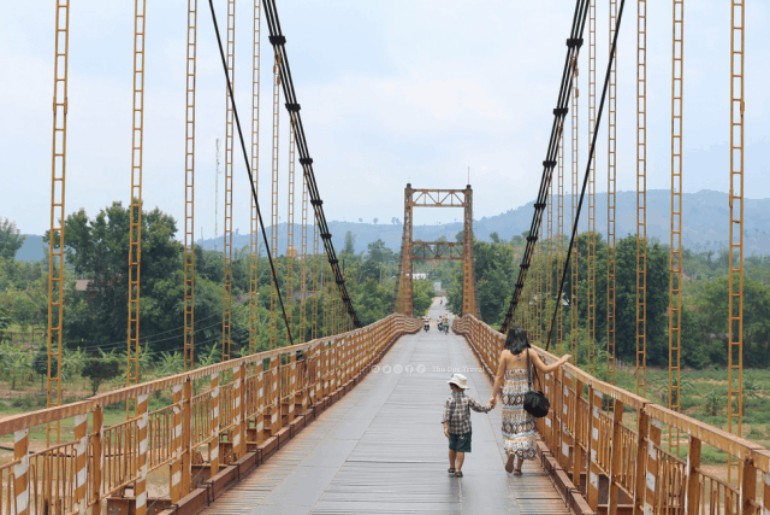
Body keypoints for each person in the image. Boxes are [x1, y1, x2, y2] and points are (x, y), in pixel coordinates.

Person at [488, 327, 570, 475]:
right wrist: (561, 361)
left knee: (512, 426)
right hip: (526, 395)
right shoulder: (530, 353)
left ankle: (511, 450)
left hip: (510, 394)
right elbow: (545, 369)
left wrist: (493, 396)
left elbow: (499, 377)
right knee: (525, 429)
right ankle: (519, 467)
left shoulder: (505, 354)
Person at [442, 373, 492, 478]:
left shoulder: (449, 400)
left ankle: (451, 467)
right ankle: (458, 469)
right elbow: (478, 407)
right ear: (463, 388)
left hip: (452, 429)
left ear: (452, 386)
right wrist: (488, 407)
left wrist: (446, 427)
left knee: (452, 448)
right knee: (461, 449)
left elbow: (446, 415)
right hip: (465, 429)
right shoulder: (467, 399)